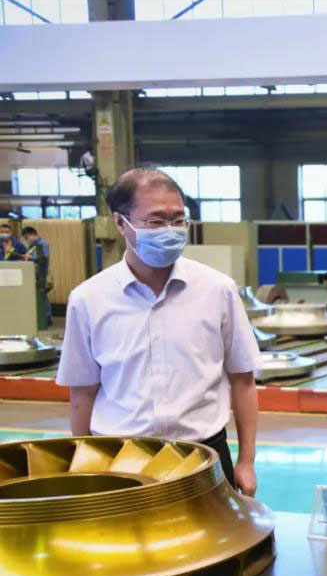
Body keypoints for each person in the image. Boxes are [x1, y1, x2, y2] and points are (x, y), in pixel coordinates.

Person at [56, 166, 260, 496]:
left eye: (178, 219)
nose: (170, 230)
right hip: (121, 458)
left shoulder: (217, 290)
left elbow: (243, 380)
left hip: (204, 454)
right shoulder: (88, 299)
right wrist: (86, 465)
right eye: (155, 221)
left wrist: (246, 461)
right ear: (121, 223)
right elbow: (82, 394)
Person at [22, 226, 52, 328]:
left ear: (32, 234)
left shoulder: (43, 243)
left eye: (26, 237)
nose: (26, 240)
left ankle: (47, 318)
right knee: (40, 296)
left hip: (41, 273)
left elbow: (43, 257)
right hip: (34, 273)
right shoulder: (33, 245)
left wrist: (31, 257)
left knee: (42, 295)